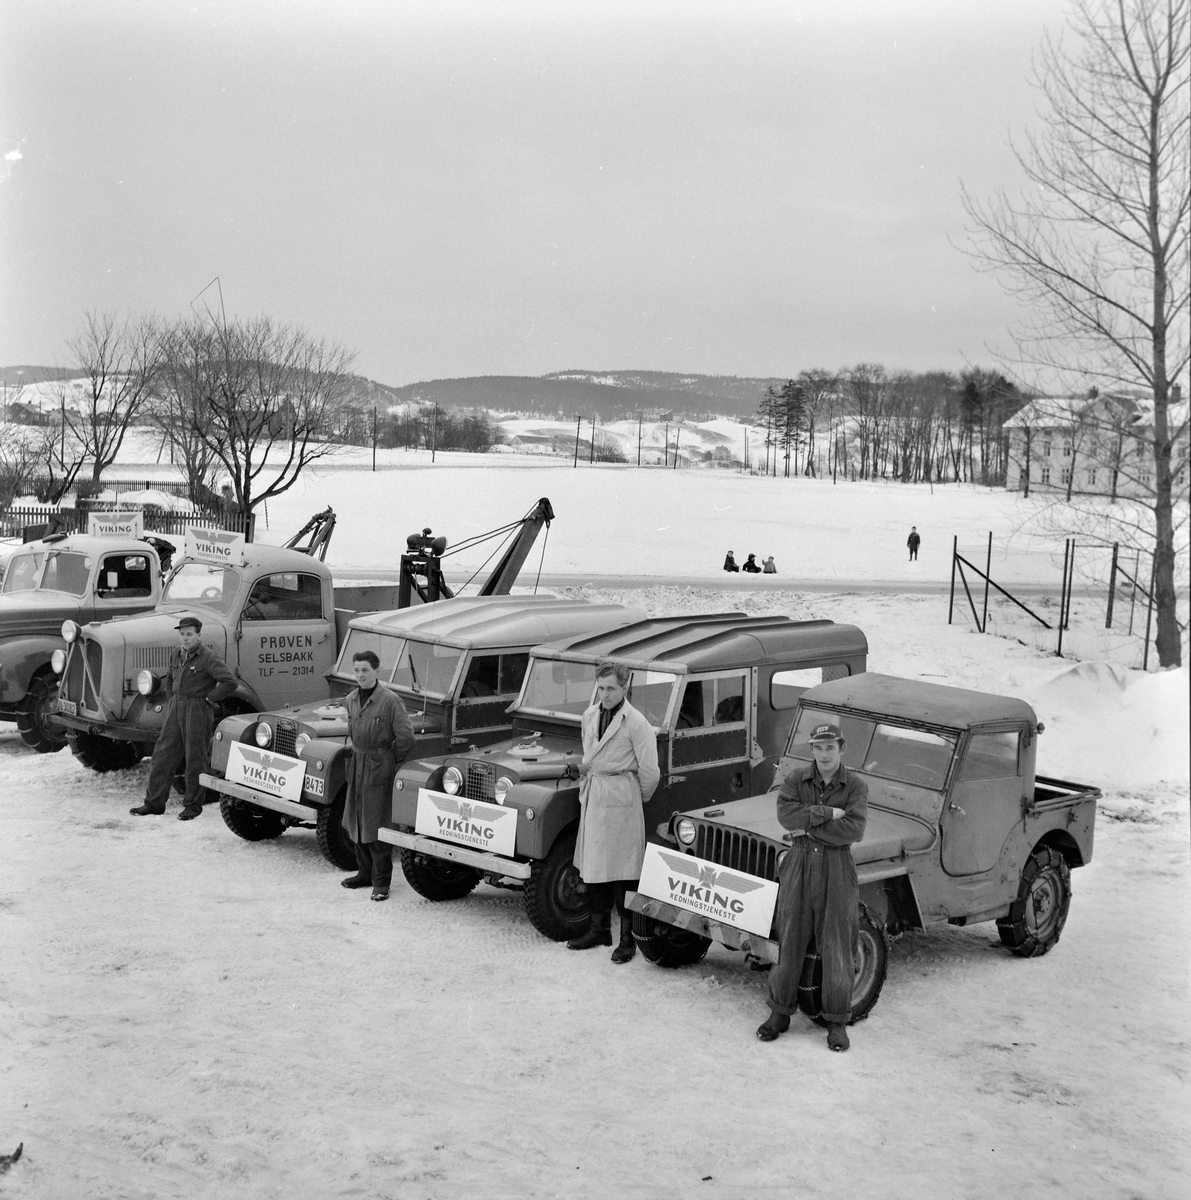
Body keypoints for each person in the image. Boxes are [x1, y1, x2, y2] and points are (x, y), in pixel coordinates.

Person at [756, 722, 868, 1052]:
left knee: (836, 945)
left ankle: (836, 1022)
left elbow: (853, 828)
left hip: (836, 866)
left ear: (842, 748)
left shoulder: (856, 786)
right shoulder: (795, 779)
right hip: (799, 864)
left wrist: (808, 828)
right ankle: (779, 1014)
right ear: (812, 750)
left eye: (830, 747)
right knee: (789, 938)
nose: (824, 754)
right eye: (818, 748)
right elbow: (786, 816)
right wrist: (824, 812)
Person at [567, 661, 661, 963]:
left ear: (625, 688)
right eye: (601, 688)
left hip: (623, 800)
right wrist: (583, 771)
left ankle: (627, 939)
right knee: (595, 869)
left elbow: (650, 772)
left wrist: (634, 798)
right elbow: (591, 757)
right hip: (595, 796)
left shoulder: (636, 723)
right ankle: (599, 930)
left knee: (623, 873)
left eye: (611, 689)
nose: (605, 694)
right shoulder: (589, 716)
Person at [130, 616, 237, 821]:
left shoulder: (208, 657)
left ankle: (192, 806)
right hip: (176, 708)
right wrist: (172, 699)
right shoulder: (176, 654)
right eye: (182, 634)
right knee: (162, 755)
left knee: (195, 759)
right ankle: (153, 803)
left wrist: (208, 698)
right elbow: (169, 678)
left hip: (197, 709)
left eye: (189, 634)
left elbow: (229, 681)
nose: (185, 638)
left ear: (198, 635)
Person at [339, 650, 416, 901]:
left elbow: (406, 737)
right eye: (357, 670)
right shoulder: (351, 699)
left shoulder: (390, 701)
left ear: (377, 671)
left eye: (365, 670)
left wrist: (387, 759)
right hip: (357, 763)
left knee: (378, 825)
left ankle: (381, 883)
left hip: (379, 766)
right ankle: (364, 873)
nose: (360, 675)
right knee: (358, 823)